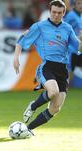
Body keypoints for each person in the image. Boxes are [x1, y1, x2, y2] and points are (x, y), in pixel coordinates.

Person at [13, 0, 81, 135]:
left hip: (63, 70)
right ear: (50, 12)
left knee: (55, 108)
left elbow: (77, 47)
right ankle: (33, 106)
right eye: (54, 12)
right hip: (47, 66)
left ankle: (28, 129)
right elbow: (21, 41)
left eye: (59, 13)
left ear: (64, 13)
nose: (56, 15)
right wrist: (16, 58)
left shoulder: (67, 28)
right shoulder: (39, 26)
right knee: (53, 92)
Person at [63, 0, 82, 75]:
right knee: (69, 69)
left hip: (78, 46)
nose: (81, 5)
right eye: (79, 4)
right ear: (74, 5)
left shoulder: (80, 16)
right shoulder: (70, 15)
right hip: (70, 46)